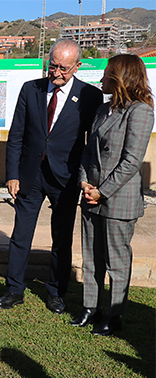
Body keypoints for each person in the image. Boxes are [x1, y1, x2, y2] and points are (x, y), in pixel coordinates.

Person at [0, 39, 103, 313]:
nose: (56, 73)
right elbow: (16, 134)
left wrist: (87, 177)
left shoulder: (90, 96)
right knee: (21, 235)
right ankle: (14, 289)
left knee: (61, 238)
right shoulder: (31, 89)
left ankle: (56, 292)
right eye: (52, 66)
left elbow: (93, 143)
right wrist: (12, 174)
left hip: (66, 178)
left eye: (64, 69)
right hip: (30, 175)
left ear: (77, 66)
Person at [71, 54, 153, 336]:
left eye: (106, 74)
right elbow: (87, 150)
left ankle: (114, 314)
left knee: (116, 261)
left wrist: (102, 192)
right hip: (91, 195)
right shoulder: (103, 110)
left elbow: (131, 161)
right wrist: (84, 183)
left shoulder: (140, 111)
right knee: (91, 257)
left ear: (121, 78)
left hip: (117, 199)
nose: (101, 79)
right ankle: (90, 307)